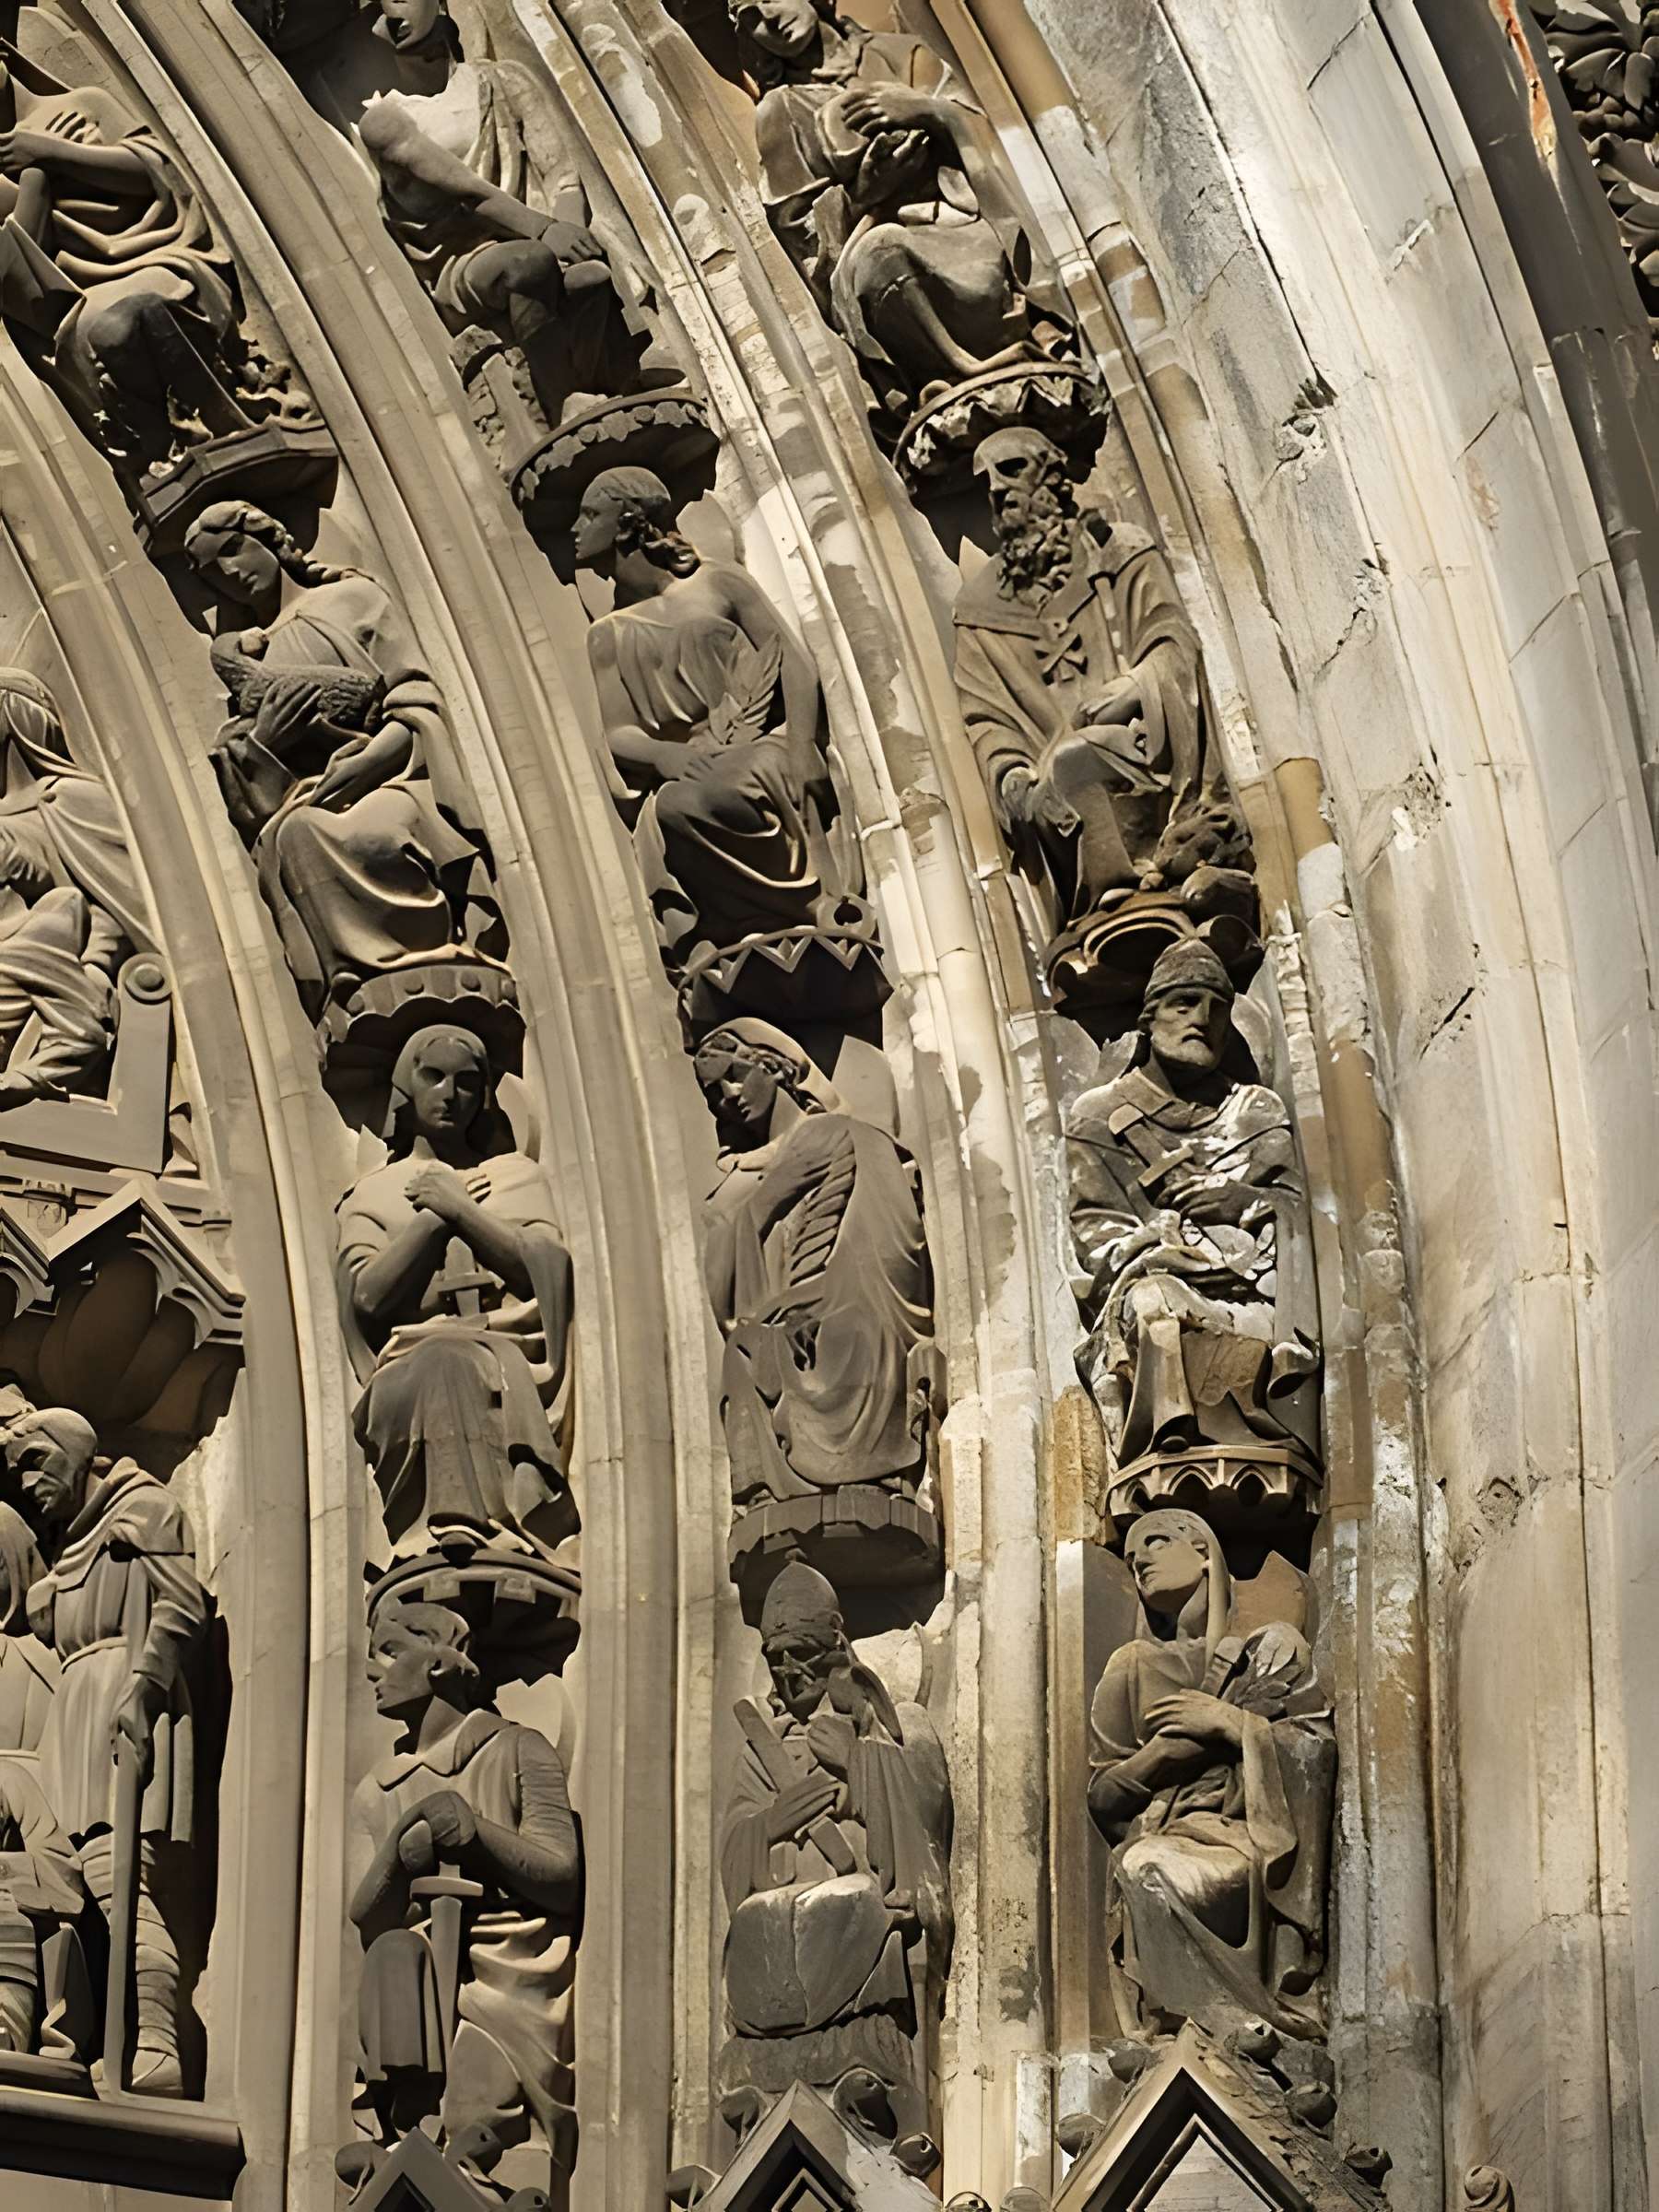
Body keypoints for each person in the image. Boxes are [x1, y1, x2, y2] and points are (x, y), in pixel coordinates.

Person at [184, 501, 500, 1021]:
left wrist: (366, 763)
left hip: (392, 775)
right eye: (213, 574)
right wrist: (266, 739)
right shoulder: (253, 659)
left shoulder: (351, 600)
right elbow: (247, 783)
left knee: (369, 832)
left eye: (234, 550)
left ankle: (410, 950)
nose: (231, 574)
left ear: (270, 539)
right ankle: (355, 975)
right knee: (297, 834)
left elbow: (415, 700)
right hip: (311, 797)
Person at [954, 429, 1249, 943]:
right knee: (1063, 768)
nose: (998, 490)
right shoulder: (980, 611)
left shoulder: (1115, 551)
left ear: (1051, 476)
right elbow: (986, 718)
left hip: (1141, 743)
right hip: (1054, 771)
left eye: (1012, 469)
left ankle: (1137, 880)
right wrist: (1010, 776)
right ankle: (1108, 896)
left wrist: (1136, 686)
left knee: (1074, 760)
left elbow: (1172, 639)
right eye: (987, 482)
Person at [729, 0, 1068, 425]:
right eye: (752, 17)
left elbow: (995, 141)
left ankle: (1035, 324)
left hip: (966, 224)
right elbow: (801, 237)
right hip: (890, 248)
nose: (770, 19)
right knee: (881, 253)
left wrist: (931, 112)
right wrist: (865, 193)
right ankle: (958, 376)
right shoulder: (783, 109)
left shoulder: (901, 53)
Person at [719, 1551, 951, 2148]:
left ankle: (861, 2076)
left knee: (851, 1905)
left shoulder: (892, 1723)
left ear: (835, 1649)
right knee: (755, 1924)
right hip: (780, 1907)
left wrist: (857, 1761)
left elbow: (923, 1814)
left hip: (857, 1902)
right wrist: (773, 1822)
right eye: (776, 1659)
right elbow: (736, 1841)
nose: (790, 1674)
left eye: (802, 1655)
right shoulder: (762, 1748)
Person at [574, 467, 849, 967]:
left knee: (730, 786)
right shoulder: (607, 634)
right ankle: (724, 930)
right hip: (690, 764)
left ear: (627, 524)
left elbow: (792, 662)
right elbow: (618, 731)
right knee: (674, 807)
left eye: (590, 514)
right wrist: (665, 755)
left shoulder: (719, 582)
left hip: (757, 744)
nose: (576, 529)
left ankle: (810, 904)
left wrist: (801, 746)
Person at [1066, 939, 1320, 1477]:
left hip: (1253, 1289)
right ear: (1149, 1016)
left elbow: (1305, 1222)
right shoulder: (1101, 1117)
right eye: (1184, 1003)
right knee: (1154, 1305)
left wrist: (1245, 1203)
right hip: (1163, 1278)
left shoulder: (1255, 1111)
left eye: (1217, 1009)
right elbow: (1097, 1235)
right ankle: (1169, 1443)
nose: (1202, 1020)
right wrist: (1162, 1241)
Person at [10, 1407, 207, 2096]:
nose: (26, 1482)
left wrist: (145, 1689)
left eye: (35, 1462)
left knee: (118, 1877)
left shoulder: (143, 1509)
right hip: (75, 1709)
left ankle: (157, 2044)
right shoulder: (73, 1545)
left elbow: (182, 1606)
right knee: (77, 1884)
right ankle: (104, 2040)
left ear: (74, 1452)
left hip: (121, 1696)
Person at [1088, 1509, 1334, 2041]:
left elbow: (1313, 1752)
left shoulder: (1269, 1648)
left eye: (1155, 1542)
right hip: (1165, 1837)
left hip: (1249, 1841)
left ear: (1204, 1552)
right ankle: (1207, 2027)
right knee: (1142, 1865)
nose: (1140, 1562)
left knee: (1147, 1867)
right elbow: (1102, 1795)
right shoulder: (1131, 1665)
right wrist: (1163, 1757)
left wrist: (1229, 1724)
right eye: (1130, 1558)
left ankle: (1242, 2023)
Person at [349, 1598, 579, 2167]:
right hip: (420, 1984)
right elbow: (365, 1915)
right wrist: (403, 1844)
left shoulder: (518, 1748)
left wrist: (477, 1834)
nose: (373, 1671)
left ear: (439, 1663)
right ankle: (404, 2126)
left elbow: (561, 1874)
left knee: (476, 2111)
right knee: (393, 1951)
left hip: (508, 1977)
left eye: (390, 1652)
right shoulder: (377, 1790)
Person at [359, 0, 662, 431]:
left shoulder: (502, 80)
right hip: (466, 262)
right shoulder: (385, 121)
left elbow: (559, 171)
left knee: (591, 277)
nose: (392, 14)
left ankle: (620, 378)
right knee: (527, 264)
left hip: (540, 237)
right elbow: (467, 191)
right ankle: (561, 406)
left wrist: (571, 236)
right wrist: (545, 230)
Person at [0, 49, 300, 482]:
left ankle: (230, 420)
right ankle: (171, 453)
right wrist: (36, 176)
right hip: (84, 297)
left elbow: (155, 173)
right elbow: (21, 281)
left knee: (141, 312)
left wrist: (53, 152)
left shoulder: (84, 103)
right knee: (110, 330)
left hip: (162, 254)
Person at [336, 1025, 574, 1561]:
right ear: (407, 1087)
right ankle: (448, 1522)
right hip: (410, 1364)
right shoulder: (373, 1192)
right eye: (434, 1077)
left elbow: (544, 1267)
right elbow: (366, 1297)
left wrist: (461, 1209)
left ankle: (486, 1524)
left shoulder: (514, 1175)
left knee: (459, 1362)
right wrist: (433, 1221)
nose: (450, 1094)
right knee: (443, 1360)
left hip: (506, 1354)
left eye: (466, 1082)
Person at [693, 1018, 936, 1508]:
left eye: (735, 1076)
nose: (728, 1097)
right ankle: (768, 1494)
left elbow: (892, 1240)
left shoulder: (835, 1133)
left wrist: (811, 1298)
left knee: (839, 1336)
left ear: (774, 1067)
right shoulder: (743, 1179)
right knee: (745, 1352)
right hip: (793, 1313)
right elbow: (728, 1273)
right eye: (714, 1093)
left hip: (853, 1304)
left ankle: (867, 1477)